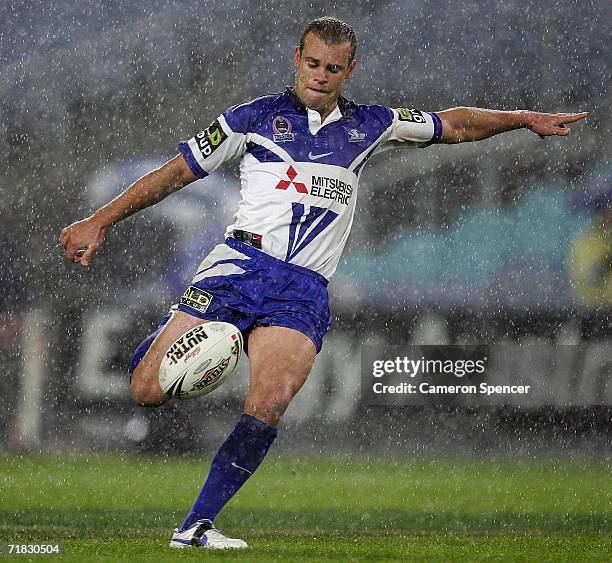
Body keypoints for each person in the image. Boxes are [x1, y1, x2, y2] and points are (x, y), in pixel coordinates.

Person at [60, 16, 587, 549]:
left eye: (333, 68)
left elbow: (455, 125)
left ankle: (195, 526)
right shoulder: (253, 118)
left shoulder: (372, 125)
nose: (320, 75)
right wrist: (99, 221)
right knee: (146, 390)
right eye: (313, 63)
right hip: (239, 268)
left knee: (268, 405)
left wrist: (521, 118)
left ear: (349, 70)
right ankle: (168, 335)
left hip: (303, 289)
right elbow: (176, 173)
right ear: (297, 58)